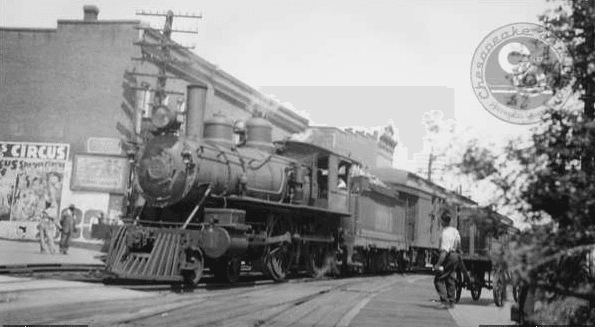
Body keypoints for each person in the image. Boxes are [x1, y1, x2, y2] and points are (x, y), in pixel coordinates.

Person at [433, 211, 461, 309]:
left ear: (443, 222)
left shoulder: (444, 234)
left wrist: (438, 264)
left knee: (438, 280)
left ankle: (445, 301)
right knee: (450, 279)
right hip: (456, 256)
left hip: (448, 256)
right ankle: (452, 302)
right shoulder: (455, 231)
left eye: (441, 221)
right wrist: (454, 249)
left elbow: (443, 252)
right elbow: (458, 243)